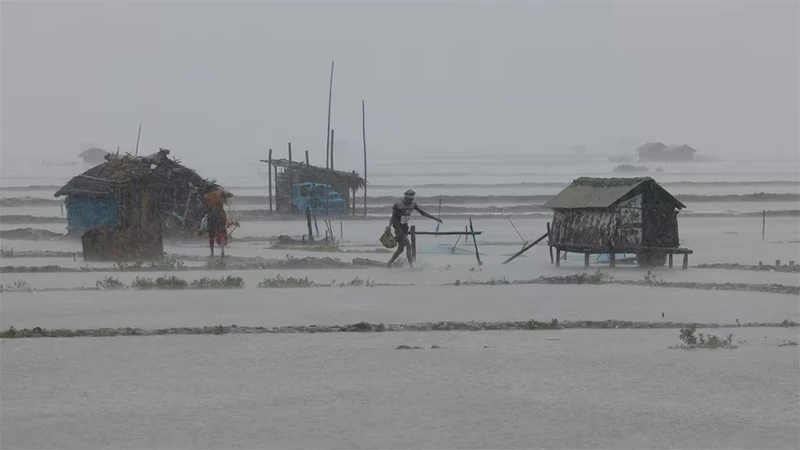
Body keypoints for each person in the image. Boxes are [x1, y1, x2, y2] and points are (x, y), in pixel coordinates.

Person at [387, 189, 442, 268]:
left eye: (411, 199)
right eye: (408, 199)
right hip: (398, 229)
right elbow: (393, 217)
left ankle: (389, 263)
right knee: (409, 246)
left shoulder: (412, 205)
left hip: (405, 228)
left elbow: (422, 212)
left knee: (400, 249)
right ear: (405, 197)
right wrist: (389, 226)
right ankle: (411, 266)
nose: (409, 201)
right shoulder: (398, 205)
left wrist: (434, 218)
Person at [204, 189, 233, 257]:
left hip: (211, 215)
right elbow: (231, 195)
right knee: (221, 233)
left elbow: (205, 207)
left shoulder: (208, 196)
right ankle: (222, 251)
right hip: (220, 215)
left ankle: (212, 253)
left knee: (211, 235)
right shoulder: (220, 193)